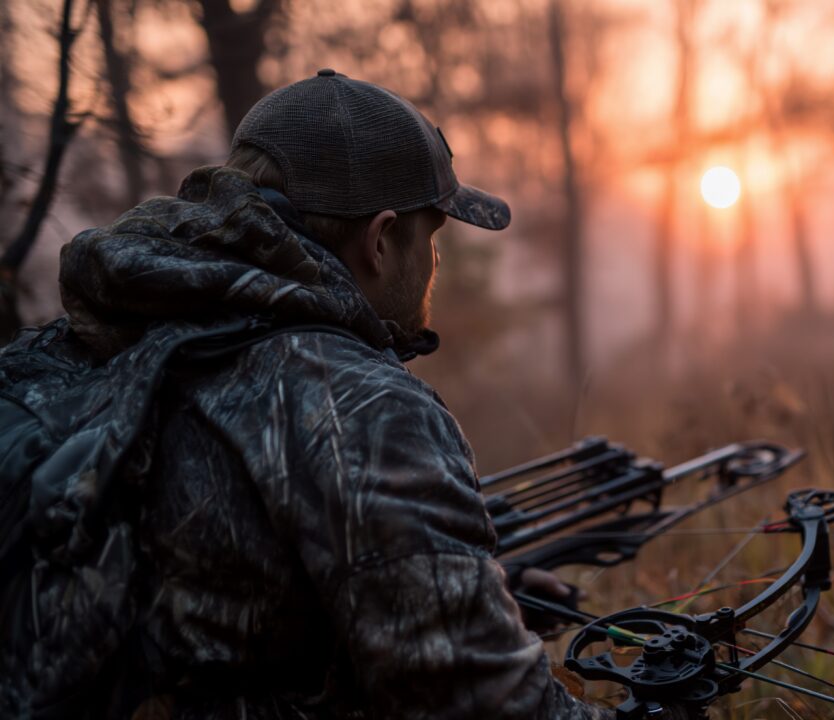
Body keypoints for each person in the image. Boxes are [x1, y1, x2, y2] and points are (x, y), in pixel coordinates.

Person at [13, 70, 613, 719]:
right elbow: (491, 706)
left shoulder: (96, 336)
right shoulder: (367, 409)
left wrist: (459, 590)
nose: (433, 264)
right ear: (380, 240)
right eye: (430, 236)